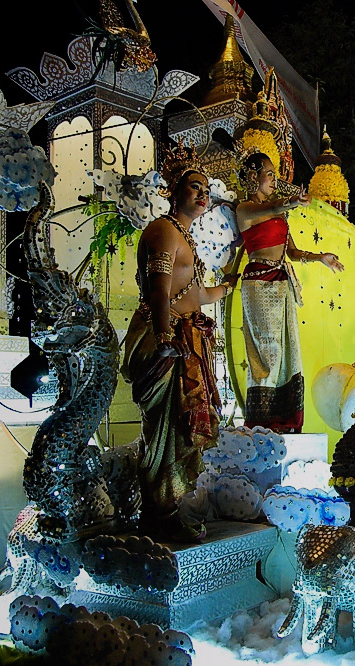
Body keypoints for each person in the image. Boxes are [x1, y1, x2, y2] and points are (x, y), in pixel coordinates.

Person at [122, 141, 236, 540]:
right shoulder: (162, 231)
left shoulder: (185, 237)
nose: (203, 194)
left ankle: (166, 510)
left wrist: (228, 285)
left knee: (180, 429)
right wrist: (165, 335)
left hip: (183, 336)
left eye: (206, 188)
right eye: (193, 186)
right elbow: (158, 289)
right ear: (173, 191)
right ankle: (158, 515)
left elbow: (198, 294)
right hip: (166, 339)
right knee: (166, 428)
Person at [234, 151, 343, 432]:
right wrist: (291, 201)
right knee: (268, 351)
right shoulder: (245, 209)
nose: (274, 179)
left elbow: (292, 252)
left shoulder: (278, 210)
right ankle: (261, 421)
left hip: (282, 281)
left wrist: (320, 257)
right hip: (258, 282)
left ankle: (285, 419)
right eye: (269, 174)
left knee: (288, 351)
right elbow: (267, 211)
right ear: (251, 177)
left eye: (274, 174)